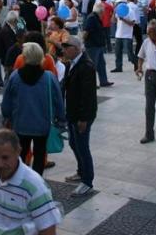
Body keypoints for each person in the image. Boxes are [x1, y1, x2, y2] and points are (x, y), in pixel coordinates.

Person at [1, 43, 65, 175]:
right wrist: (61, 119)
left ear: (24, 57)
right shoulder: (49, 77)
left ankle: (21, 178)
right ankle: (37, 180)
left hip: (20, 124)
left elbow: (6, 101)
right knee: (40, 154)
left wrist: (7, 116)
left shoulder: (15, 76)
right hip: (42, 124)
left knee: (21, 152)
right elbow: (59, 100)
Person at [0, 129, 62, 234]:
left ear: (18, 151)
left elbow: (48, 230)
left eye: (5, 158)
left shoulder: (35, 186)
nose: (0, 164)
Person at [61, 37, 97, 197]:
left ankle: (87, 181)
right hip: (72, 112)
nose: (64, 50)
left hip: (82, 115)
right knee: (74, 143)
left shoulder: (86, 66)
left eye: (66, 47)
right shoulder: (71, 64)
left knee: (82, 146)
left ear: (76, 48)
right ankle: (81, 171)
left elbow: (88, 96)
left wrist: (83, 119)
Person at [83, 2, 112, 87]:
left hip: (98, 45)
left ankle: (104, 81)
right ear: (100, 11)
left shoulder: (96, 18)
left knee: (101, 64)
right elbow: (86, 32)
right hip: (92, 46)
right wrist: (83, 43)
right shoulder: (92, 18)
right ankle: (91, 83)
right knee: (92, 65)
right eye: (103, 12)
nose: (103, 14)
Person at [111, 0, 137, 73]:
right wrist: (114, 13)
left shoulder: (130, 11)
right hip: (118, 34)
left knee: (129, 53)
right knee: (117, 52)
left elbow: (132, 23)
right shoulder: (118, 11)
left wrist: (123, 19)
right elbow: (113, 21)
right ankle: (118, 67)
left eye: (118, 3)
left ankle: (136, 62)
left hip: (127, 35)